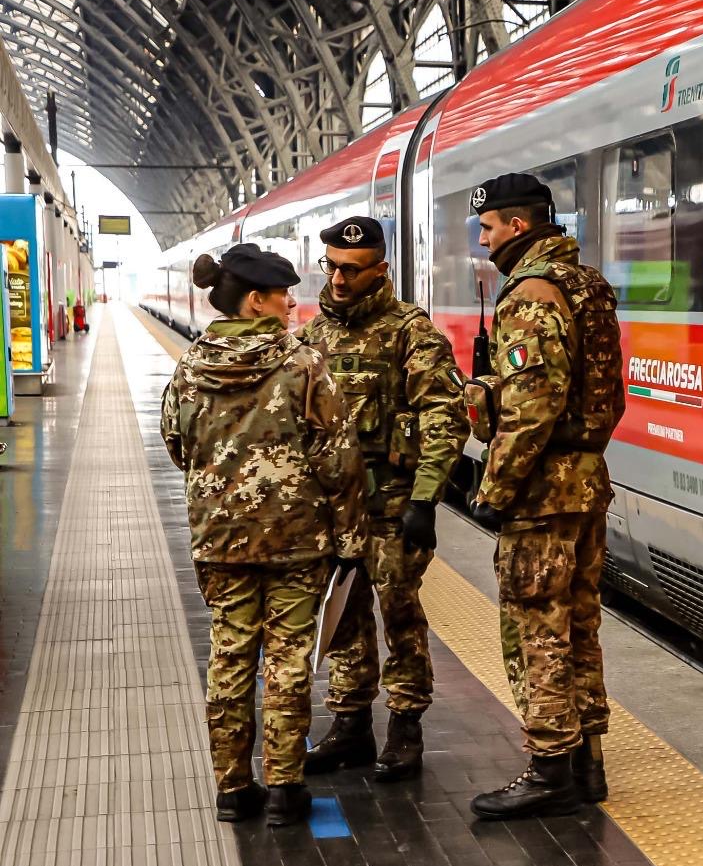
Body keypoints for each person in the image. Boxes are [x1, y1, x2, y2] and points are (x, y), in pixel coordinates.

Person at [160, 244, 367, 826]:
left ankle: (231, 788)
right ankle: (284, 789)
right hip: (296, 542)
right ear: (256, 300)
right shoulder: (301, 364)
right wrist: (351, 538)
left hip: (219, 540)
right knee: (288, 659)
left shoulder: (190, 364)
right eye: (282, 294)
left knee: (229, 653)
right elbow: (338, 457)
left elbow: (178, 445)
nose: (291, 302)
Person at [465, 173, 625, 820]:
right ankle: (587, 763)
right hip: (586, 481)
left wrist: (493, 489)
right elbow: (604, 393)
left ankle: (549, 766)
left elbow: (531, 406)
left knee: (537, 628)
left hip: (542, 492)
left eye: (488, 228)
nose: (482, 240)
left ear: (518, 226)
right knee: (580, 623)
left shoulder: (531, 294)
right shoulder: (586, 284)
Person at [299, 216, 469, 782]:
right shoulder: (312, 336)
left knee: (399, 613)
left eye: (350, 270)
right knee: (343, 614)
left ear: (380, 269)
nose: (339, 280)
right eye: (331, 267)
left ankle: (405, 726)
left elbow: (445, 415)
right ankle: (349, 724)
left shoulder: (408, 332)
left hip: (394, 503)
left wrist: (426, 498)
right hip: (336, 507)